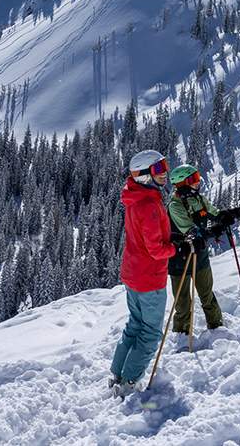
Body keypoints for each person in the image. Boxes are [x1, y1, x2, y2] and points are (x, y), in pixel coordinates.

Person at [109, 150, 179, 397]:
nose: (165, 173)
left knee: (135, 324)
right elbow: (156, 250)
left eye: (164, 166)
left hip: (134, 274)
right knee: (150, 332)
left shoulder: (135, 198)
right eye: (159, 169)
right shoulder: (149, 204)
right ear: (144, 175)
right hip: (149, 278)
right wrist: (176, 247)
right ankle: (129, 381)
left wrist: (171, 239)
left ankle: (118, 374)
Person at [167, 164, 240, 341]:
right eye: (193, 179)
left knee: (207, 294)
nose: (198, 182)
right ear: (182, 183)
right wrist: (212, 231)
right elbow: (190, 231)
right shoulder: (175, 206)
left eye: (197, 177)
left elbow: (216, 215)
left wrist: (237, 212)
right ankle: (182, 336)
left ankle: (217, 328)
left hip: (199, 256)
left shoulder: (199, 199)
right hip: (180, 259)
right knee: (183, 302)